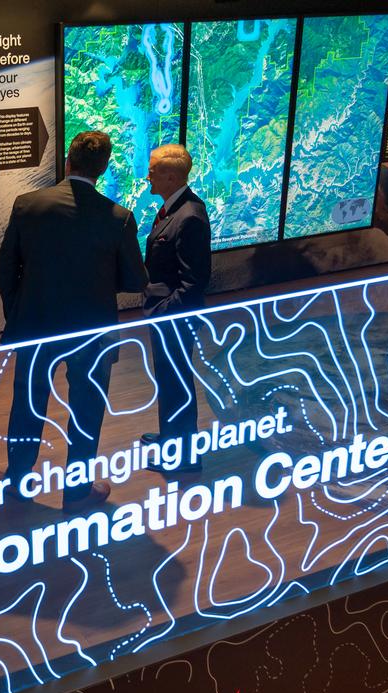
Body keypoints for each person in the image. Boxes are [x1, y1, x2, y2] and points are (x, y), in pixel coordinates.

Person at [0, 130, 148, 511]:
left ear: (67, 160)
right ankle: (77, 491)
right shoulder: (119, 218)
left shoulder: (28, 205)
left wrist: (18, 312)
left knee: (28, 404)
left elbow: (4, 269)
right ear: (104, 168)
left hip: (37, 324)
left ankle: (17, 480)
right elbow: (135, 281)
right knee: (86, 410)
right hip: (92, 332)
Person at [140, 144, 211, 474]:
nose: (148, 176)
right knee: (169, 381)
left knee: (176, 382)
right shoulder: (174, 208)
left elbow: (193, 282)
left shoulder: (189, 217)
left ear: (171, 176)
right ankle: (173, 438)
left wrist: (162, 314)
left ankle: (184, 458)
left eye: (153, 171)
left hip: (174, 318)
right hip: (167, 314)